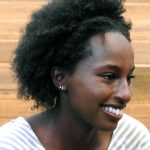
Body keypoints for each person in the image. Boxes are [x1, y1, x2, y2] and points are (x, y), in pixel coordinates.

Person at [0, 0, 150, 149]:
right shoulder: (11, 145)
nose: (126, 94)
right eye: (109, 76)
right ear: (61, 78)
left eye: (129, 78)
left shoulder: (134, 141)